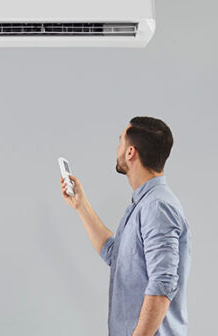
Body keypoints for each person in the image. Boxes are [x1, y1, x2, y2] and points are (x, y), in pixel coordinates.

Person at [59, 117, 190, 336]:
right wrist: (81, 205)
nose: (117, 148)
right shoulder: (144, 205)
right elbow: (115, 254)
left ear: (130, 152)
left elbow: (162, 284)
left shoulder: (157, 207)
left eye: (120, 142)